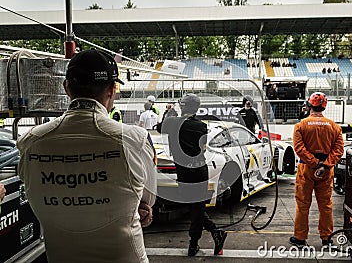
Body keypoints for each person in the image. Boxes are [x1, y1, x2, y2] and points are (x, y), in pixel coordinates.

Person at [16, 49, 157, 263]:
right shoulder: (135, 139)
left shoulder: (30, 141)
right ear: (111, 89)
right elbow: (148, 200)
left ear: (66, 88)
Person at [158, 94, 227, 257]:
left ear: (182, 106)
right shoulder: (202, 126)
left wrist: (169, 113)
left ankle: (196, 243)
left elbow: (158, 127)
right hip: (200, 170)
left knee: (194, 208)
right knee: (196, 208)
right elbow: (202, 147)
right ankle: (211, 234)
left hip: (184, 172)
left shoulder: (172, 122)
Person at [290, 92, 344, 248]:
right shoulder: (334, 126)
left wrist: (314, 163)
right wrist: (325, 165)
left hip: (306, 169)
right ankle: (327, 239)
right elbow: (339, 150)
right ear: (324, 106)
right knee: (326, 206)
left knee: (302, 205)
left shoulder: (301, 125)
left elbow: (299, 149)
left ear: (309, 105)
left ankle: (300, 238)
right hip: (326, 171)